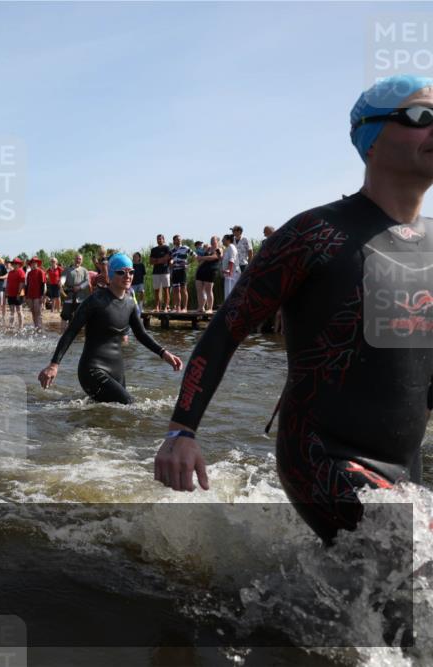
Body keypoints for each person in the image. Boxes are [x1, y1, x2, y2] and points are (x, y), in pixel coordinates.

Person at [154, 75, 433, 545]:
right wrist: (182, 432)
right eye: (423, 117)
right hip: (324, 455)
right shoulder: (314, 234)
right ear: (370, 136)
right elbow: (226, 330)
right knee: (413, 566)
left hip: (406, 462)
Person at [39, 253, 182, 403]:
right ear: (112, 274)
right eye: (121, 272)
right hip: (92, 369)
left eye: (131, 272)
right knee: (131, 405)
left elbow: (141, 334)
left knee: (118, 416)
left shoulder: (130, 304)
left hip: (117, 370)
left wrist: (164, 353)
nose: (127, 276)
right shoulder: (95, 300)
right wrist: (54, 365)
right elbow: (71, 332)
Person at [60, 254, 90, 332]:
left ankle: (79, 337)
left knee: (80, 317)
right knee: (65, 316)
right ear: (74, 259)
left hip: (81, 297)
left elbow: (87, 281)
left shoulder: (84, 270)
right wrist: (61, 282)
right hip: (69, 296)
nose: (78, 260)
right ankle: (62, 335)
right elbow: (63, 278)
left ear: (82, 260)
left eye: (80, 259)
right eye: (77, 258)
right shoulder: (67, 270)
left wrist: (79, 287)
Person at [194, 236, 222, 313]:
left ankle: (210, 308)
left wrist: (202, 258)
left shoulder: (219, 249)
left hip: (211, 270)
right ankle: (201, 307)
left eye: (214, 240)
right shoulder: (208, 249)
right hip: (202, 270)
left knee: (208, 290)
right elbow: (202, 259)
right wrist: (198, 267)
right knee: (199, 289)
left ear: (217, 241)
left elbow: (214, 257)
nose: (212, 242)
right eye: (211, 240)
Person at [168, 235, 194, 312]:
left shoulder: (185, 248)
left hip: (182, 271)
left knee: (183, 289)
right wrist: (171, 262)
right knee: (176, 290)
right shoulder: (172, 251)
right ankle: (178, 307)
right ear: (174, 241)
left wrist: (188, 264)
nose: (179, 240)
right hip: (175, 271)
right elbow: (170, 260)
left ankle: (185, 308)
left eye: (180, 239)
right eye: (177, 239)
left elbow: (194, 256)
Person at [150, 234, 171, 312]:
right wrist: (160, 260)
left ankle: (166, 307)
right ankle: (157, 307)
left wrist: (156, 260)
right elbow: (151, 261)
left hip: (165, 271)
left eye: (160, 239)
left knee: (166, 290)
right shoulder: (153, 250)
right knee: (156, 290)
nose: (159, 240)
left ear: (163, 239)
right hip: (156, 272)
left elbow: (166, 259)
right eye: (158, 239)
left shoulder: (167, 248)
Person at [25, 257, 46, 330]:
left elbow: (43, 285)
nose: (33, 264)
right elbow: (27, 285)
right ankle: (35, 326)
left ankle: (40, 327)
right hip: (30, 295)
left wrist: (42, 296)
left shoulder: (41, 272)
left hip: (38, 295)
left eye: (35, 263)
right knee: (33, 311)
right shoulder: (29, 273)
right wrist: (26, 296)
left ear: (37, 264)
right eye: (32, 263)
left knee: (38, 311)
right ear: (30, 264)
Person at [5, 257, 26, 329]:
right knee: (12, 311)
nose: (14, 265)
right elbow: (8, 283)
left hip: (19, 294)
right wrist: (6, 292)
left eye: (16, 263)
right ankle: (11, 326)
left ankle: (21, 327)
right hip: (10, 294)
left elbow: (22, 283)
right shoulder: (10, 272)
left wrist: (18, 293)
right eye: (13, 263)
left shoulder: (21, 271)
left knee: (19, 311)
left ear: (19, 264)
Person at [221, 234, 239, 300]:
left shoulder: (231, 247)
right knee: (228, 292)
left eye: (223, 239)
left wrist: (229, 270)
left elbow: (232, 259)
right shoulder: (228, 248)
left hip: (232, 273)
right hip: (228, 274)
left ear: (228, 240)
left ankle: (231, 308)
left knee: (230, 291)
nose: (222, 240)